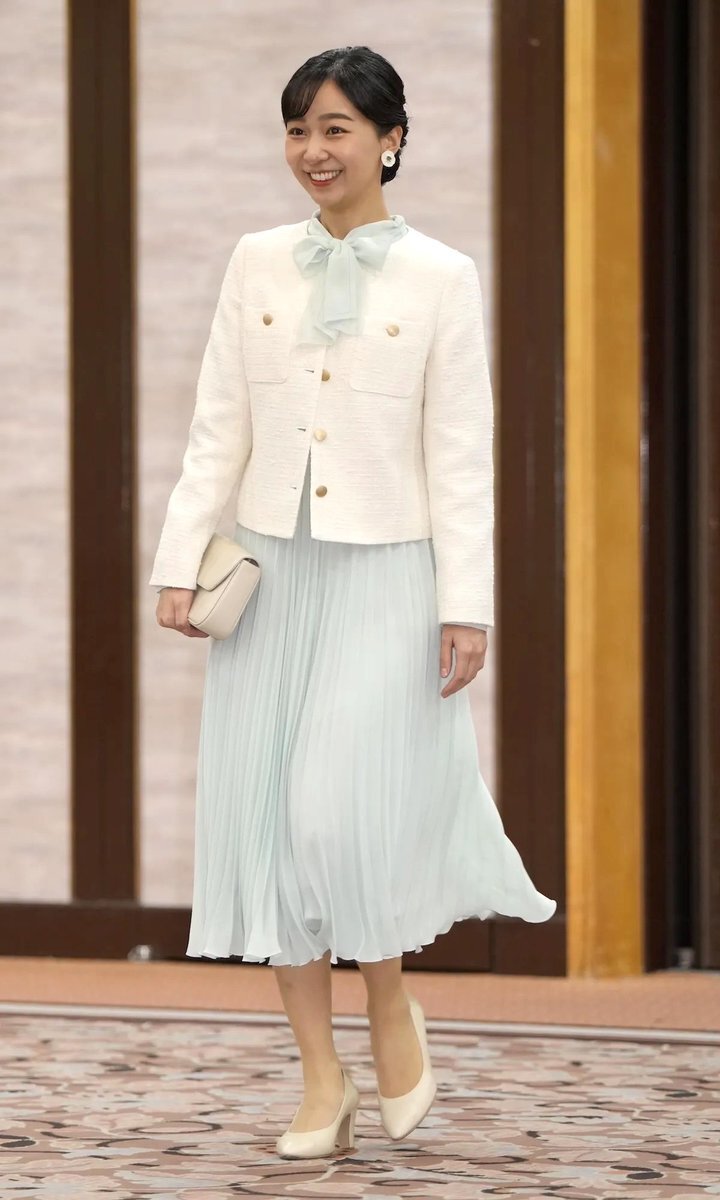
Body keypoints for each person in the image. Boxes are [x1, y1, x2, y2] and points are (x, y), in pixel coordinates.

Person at [149, 45, 557, 1160]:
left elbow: (460, 454)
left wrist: (466, 605)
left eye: (335, 128)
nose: (313, 151)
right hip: (270, 576)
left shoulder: (442, 277)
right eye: (298, 130)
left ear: (390, 138)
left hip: (388, 573)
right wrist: (178, 561)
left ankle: (388, 999)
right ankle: (321, 1078)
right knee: (273, 825)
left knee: (335, 813)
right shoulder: (254, 262)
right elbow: (217, 425)